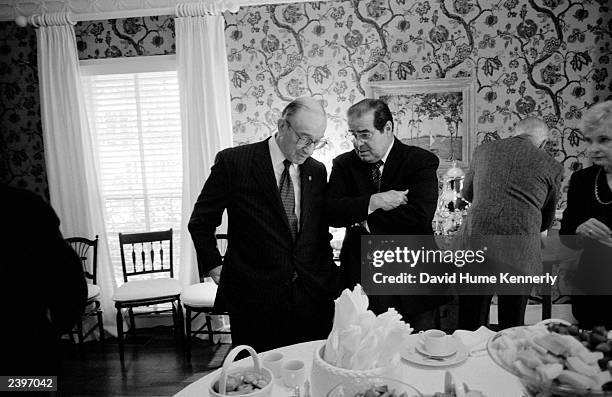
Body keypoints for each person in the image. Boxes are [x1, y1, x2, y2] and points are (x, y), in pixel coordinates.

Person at [188, 97, 337, 352]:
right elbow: (201, 222)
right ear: (282, 125)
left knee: (311, 370)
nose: (308, 149)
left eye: (316, 141)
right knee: (259, 377)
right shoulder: (235, 162)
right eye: (303, 138)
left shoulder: (317, 170)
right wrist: (214, 266)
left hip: (310, 298)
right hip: (255, 300)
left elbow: (317, 232)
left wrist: (327, 278)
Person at [325, 98, 449, 330]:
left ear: (388, 128)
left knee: (420, 354)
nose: (357, 143)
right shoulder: (343, 164)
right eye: (353, 134)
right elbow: (332, 213)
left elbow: (419, 216)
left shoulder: (420, 161)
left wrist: (361, 218)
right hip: (362, 282)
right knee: (364, 356)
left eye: (365, 134)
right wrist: (374, 202)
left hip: (412, 281)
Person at [455, 117, 563, 330]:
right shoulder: (552, 165)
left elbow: (467, 193)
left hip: (476, 246)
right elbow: (546, 221)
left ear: (515, 132)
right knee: (512, 326)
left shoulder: (483, 150)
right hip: (519, 253)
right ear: (542, 143)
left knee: (469, 323)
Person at [0, 184, 87, 380]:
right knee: (29, 387)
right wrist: (60, 324)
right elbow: (68, 274)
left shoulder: (24, 204)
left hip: (26, 337)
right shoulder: (23, 203)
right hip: (27, 338)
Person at [560, 101, 612, 329]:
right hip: (590, 292)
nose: (592, 149)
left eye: (603, 140)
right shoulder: (582, 180)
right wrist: (579, 230)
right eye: (588, 141)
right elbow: (566, 236)